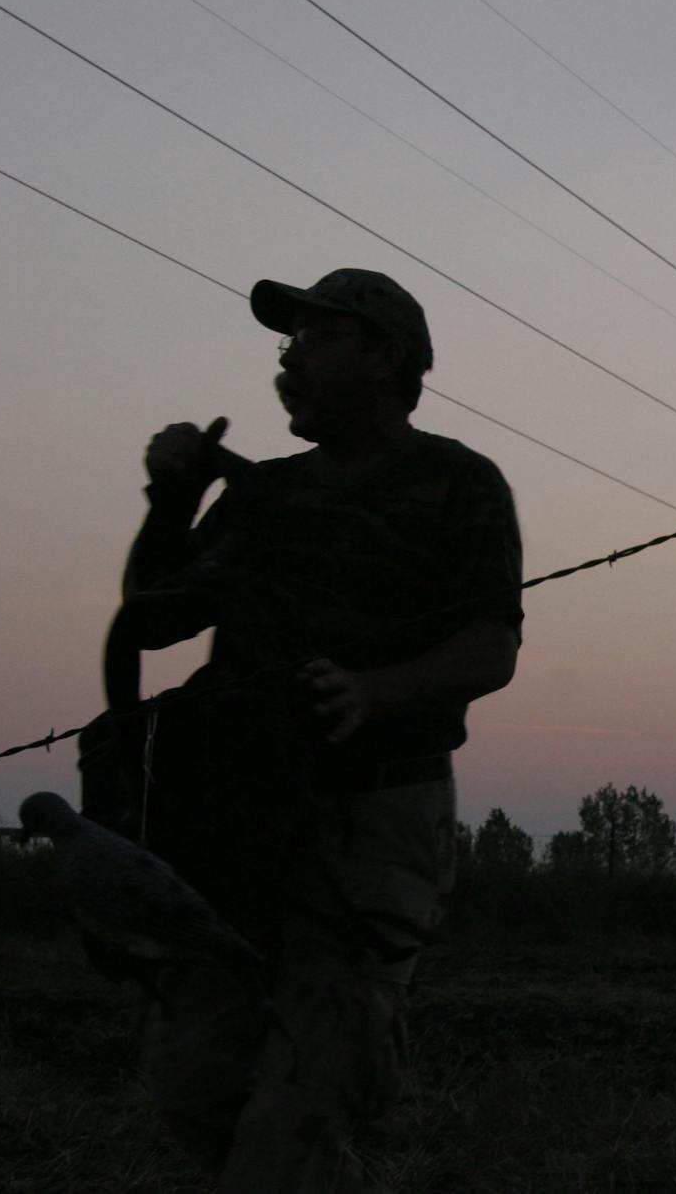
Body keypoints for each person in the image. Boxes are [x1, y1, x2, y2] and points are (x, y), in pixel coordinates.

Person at [120, 267, 523, 1192]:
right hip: (239, 823)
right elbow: (153, 619)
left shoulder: (457, 483)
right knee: (197, 1082)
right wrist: (170, 499)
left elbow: (490, 647)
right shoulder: (266, 492)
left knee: (301, 1098)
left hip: (374, 823)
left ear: (385, 356)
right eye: (286, 339)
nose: (287, 357)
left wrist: (373, 692)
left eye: (315, 336)